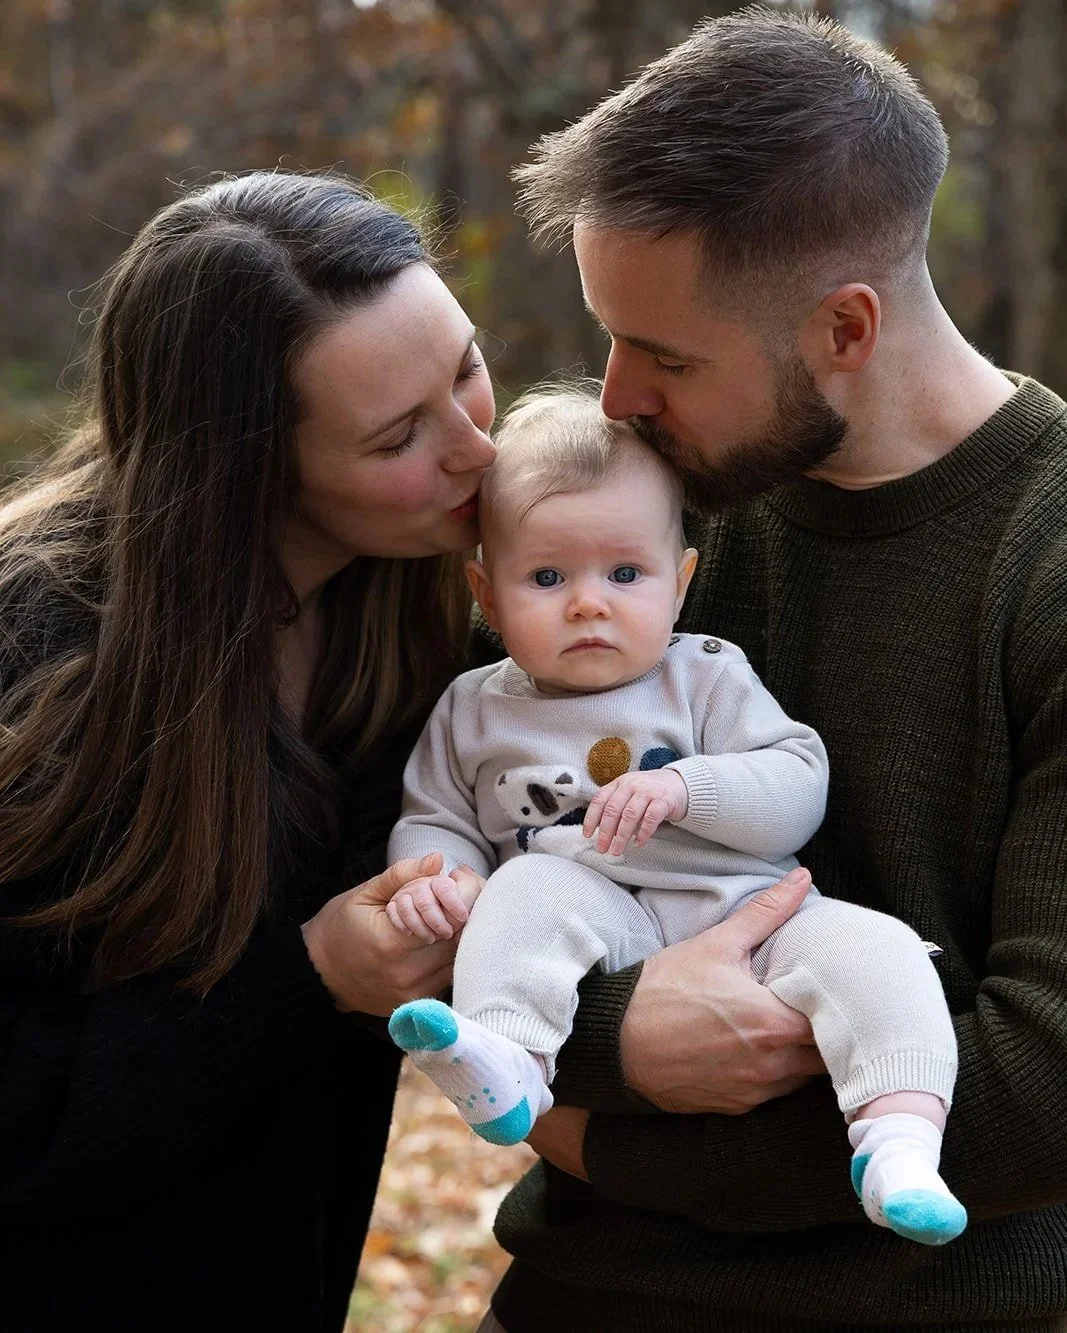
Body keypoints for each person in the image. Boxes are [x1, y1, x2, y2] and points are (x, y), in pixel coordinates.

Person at [470, 10, 1067, 1333]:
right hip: (575, 1300)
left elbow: (1041, 1081)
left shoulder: (1044, 561)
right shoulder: (624, 521)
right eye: (608, 337)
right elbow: (446, 861)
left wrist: (603, 1128)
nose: (614, 397)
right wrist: (623, 1036)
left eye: (666, 357)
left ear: (843, 328)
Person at [0, 169, 499, 1331]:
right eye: (398, 436)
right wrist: (307, 978)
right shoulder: (35, 659)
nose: (477, 446)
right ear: (247, 471)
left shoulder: (428, 618)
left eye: (467, 365)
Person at [384, 385, 965, 1248]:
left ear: (680, 581)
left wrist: (693, 787)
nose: (588, 602)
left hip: (750, 911)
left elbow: (797, 782)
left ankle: (899, 1140)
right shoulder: (473, 708)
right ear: (486, 593)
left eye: (625, 574)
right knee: (523, 887)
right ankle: (507, 1056)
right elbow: (433, 815)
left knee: (878, 951)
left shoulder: (703, 675)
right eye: (546, 577)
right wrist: (440, 876)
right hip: (591, 918)